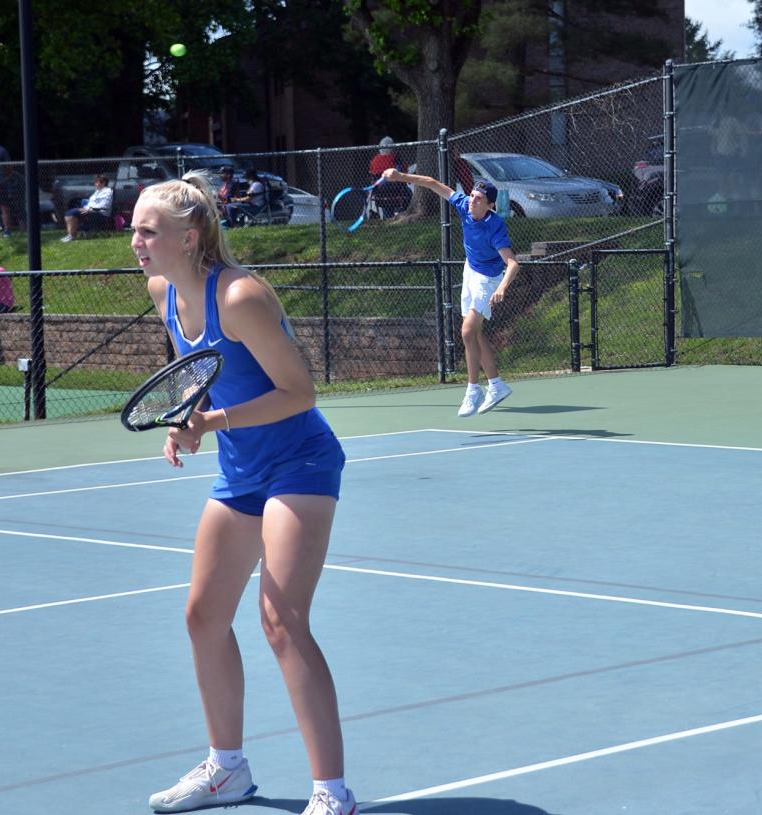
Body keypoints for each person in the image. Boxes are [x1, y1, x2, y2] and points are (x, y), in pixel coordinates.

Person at [131, 173, 358, 815]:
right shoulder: (163, 292)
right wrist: (186, 414)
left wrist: (215, 421)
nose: (137, 242)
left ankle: (331, 793)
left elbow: (300, 391)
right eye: (134, 231)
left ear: (190, 234)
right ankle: (227, 771)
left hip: (300, 462)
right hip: (241, 470)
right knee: (203, 616)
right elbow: (198, 375)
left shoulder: (241, 296)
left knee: (281, 622)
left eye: (149, 231)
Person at [383, 167, 519, 416]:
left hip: (488, 278)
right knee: (476, 334)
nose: (472, 201)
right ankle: (497, 385)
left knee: (467, 331)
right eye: (471, 195)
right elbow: (432, 182)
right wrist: (401, 177)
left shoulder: (494, 226)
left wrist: (502, 286)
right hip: (471, 270)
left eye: (478, 199)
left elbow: (512, 262)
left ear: (489, 205)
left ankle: (472, 390)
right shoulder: (463, 204)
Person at [61, 174, 114, 242]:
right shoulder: (97, 191)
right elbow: (91, 203)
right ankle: (70, 235)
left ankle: (72, 236)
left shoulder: (108, 191)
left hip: (101, 214)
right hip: (91, 211)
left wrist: (90, 209)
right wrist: (85, 208)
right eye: (95, 182)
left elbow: (105, 206)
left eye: (97, 182)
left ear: (103, 182)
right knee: (68, 213)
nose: (95, 184)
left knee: (72, 213)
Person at [367, 137, 409, 219]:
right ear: (392, 148)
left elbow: (372, 173)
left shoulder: (375, 160)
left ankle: (388, 218)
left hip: (380, 193)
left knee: (385, 198)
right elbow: (404, 171)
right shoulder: (395, 158)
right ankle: (401, 214)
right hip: (397, 191)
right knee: (409, 193)